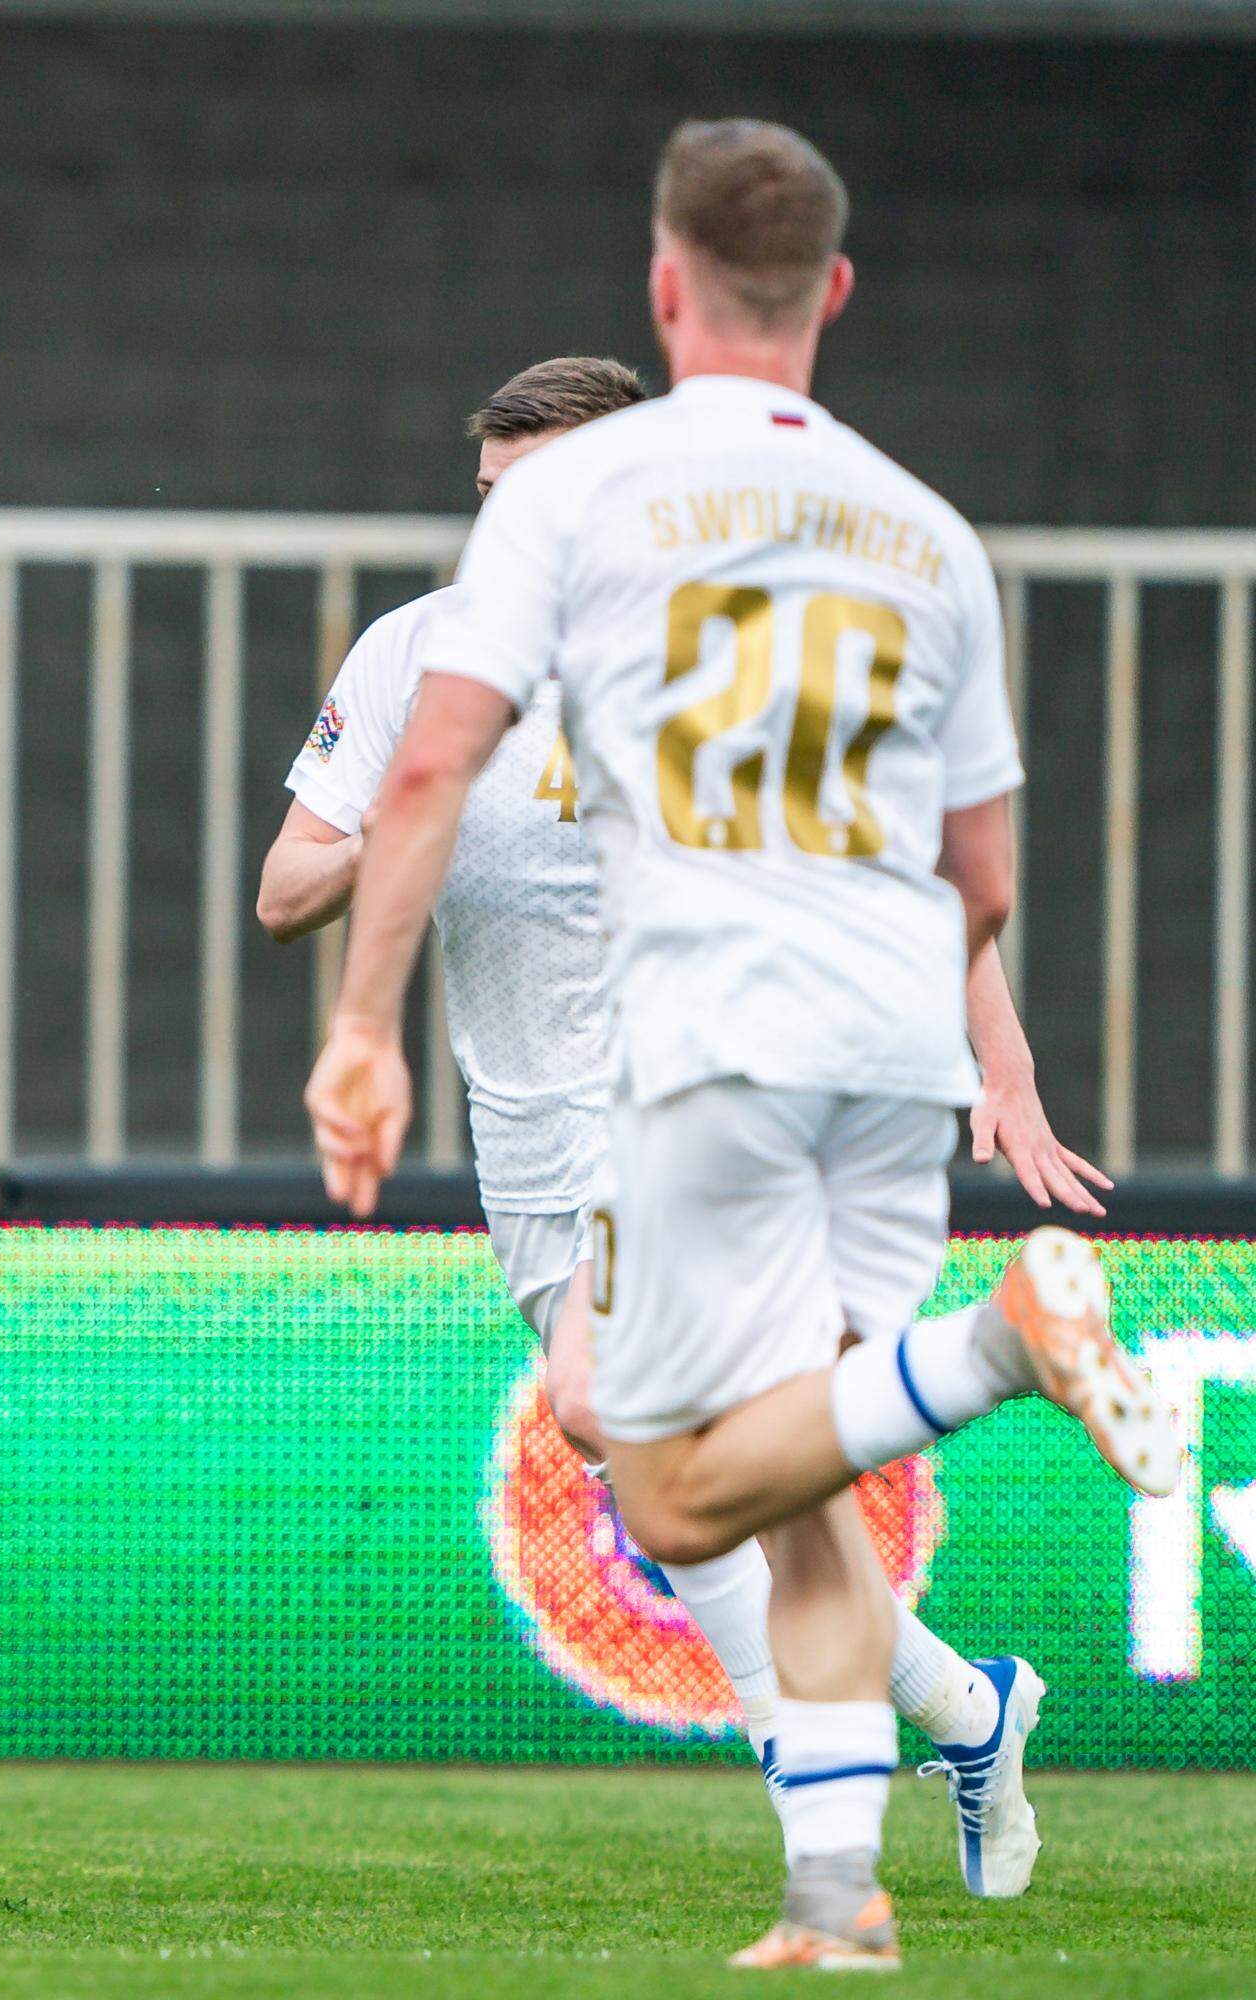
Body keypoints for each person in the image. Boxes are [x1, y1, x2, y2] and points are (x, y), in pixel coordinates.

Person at [302, 124, 1181, 1970]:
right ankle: (895, 1820)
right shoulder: (909, 531)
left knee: (667, 1458)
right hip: (848, 1053)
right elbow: (974, 867)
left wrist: (362, 1034)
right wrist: (977, 1066)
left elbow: (440, 776)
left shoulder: (589, 544)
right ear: (838, 292)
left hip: (695, 1071)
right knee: (765, 1474)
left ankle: (997, 1353)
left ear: (666, 288)